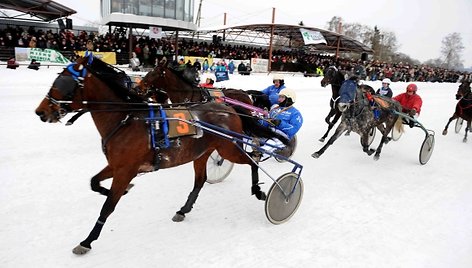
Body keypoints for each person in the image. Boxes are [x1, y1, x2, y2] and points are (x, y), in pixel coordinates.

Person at [254, 88, 303, 160]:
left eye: (282, 97)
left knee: (271, 143)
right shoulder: (275, 110)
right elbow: (267, 122)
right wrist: (258, 120)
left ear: (289, 99)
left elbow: (293, 129)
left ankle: (259, 154)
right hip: (269, 132)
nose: (279, 100)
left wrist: (280, 123)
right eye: (279, 97)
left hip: (282, 137)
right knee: (253, 136)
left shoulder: (295, 113)